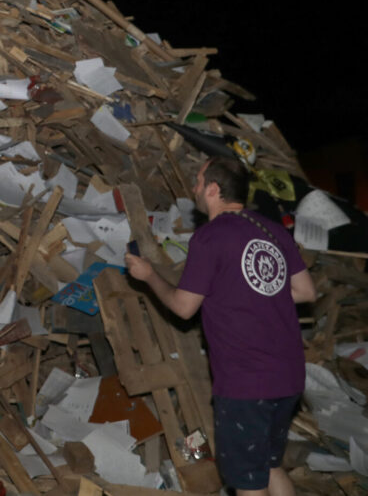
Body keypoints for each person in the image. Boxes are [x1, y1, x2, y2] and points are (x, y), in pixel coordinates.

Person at [125, 157, 315, 496]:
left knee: (246, 483)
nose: (194, 189)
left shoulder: (210, 237)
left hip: (246, 384)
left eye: (198, 182)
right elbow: (304, 291)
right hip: (289, 376)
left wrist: (150, 275)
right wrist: (251, 288)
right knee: (270, 467)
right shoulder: (272, 229)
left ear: (214, 190)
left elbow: (184, 308)